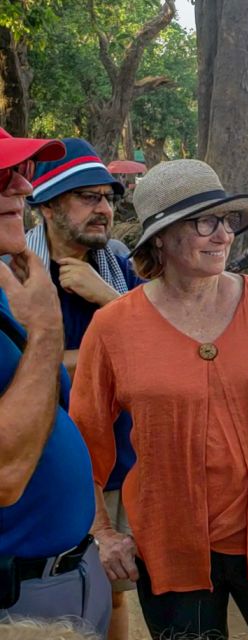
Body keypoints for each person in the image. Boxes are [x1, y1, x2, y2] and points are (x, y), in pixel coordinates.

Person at [70, 159, 248, 640]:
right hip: (172, 546)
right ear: (161, 236)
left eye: (227, 221)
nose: (223, 236)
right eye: (205, 223)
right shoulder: (115, 327)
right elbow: (84, 438)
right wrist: (103, 531)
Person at [25, 138, 142, 640]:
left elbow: (160, 353)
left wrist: (109, 302)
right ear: (48, 205)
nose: (103, 209)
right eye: (87, 197)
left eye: (107, 197)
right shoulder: (16, 274)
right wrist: (96, 354)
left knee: (112, 584)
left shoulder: (117, 267)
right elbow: (20, 371)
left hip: (113, 455)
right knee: (41, 593)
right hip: (39, 462)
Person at [0, 127, 111, 636]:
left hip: (68, 570)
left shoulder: (14, 284)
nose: (22, 188)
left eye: (21, 175)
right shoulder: (32, 287)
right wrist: (46, 326)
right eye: (5, 178)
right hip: (21, 596)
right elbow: (6, 472)